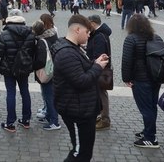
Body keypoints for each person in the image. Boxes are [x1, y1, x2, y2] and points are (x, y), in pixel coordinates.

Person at [53, 15, 108, 162]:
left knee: (85, 152)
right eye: (87, 32)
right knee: (80, 153)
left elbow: (80, 69)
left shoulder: (73, 48)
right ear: (78, 29)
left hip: (83, 108)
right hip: (76, 111)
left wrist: (94, 62)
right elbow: (81, 81)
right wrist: (97, 67)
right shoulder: (66, 53)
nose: (89, 35)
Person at [121, 14, 161, 149]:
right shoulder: (157, 37)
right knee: (151, 106)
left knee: (146, 108)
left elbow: (126, 61)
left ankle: (150, 138)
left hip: (140, 79)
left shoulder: (131, 39)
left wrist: (126, 78)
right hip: (155, 78)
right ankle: (148, 130)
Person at [0, 9, 35, 132]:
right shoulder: (30, 33)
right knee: (25, 92)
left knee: (11, 93)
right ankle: (26, 120)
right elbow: (32, 52)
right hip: (24, 67)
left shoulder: (5, 34)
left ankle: (10, 122)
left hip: (9, 68)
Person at [32, 15, 60, 131]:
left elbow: (40, 61)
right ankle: (49, 116)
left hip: (47, 72)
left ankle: (54, 121)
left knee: (49, 97)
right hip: (54, 69)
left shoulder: (42, 41)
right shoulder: (53, 34)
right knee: (49, 96)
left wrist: (33, 66)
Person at [86, 14, 112, 131]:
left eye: (88, 23)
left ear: (93, 23)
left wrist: (90, 63)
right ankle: (101, 116)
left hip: (99, 69)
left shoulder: (99, 36)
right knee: (99, 93)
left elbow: (99, 55)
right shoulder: (99, 34)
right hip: (98, 68)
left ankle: (105, 119)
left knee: (102, 94)